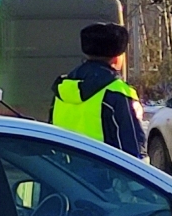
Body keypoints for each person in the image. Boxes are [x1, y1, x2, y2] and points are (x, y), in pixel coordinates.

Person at [51, 22, 144, 157]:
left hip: (66, 172)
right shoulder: (118, 92)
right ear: (117, 58)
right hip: (105, 173)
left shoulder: (63, 89)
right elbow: (132, 145)